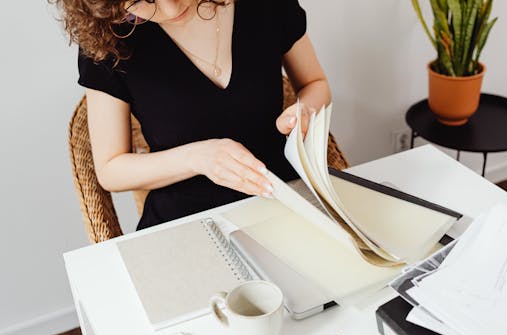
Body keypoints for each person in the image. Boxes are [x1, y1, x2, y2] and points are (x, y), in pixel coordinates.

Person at [54, 0, 331, 229]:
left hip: (283, 199)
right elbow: (110, 170)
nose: (172, 9)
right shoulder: (109, 40)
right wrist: (197, 158)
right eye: (141, 1)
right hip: (185, 222)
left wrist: (305, 111)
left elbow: (314, 85)